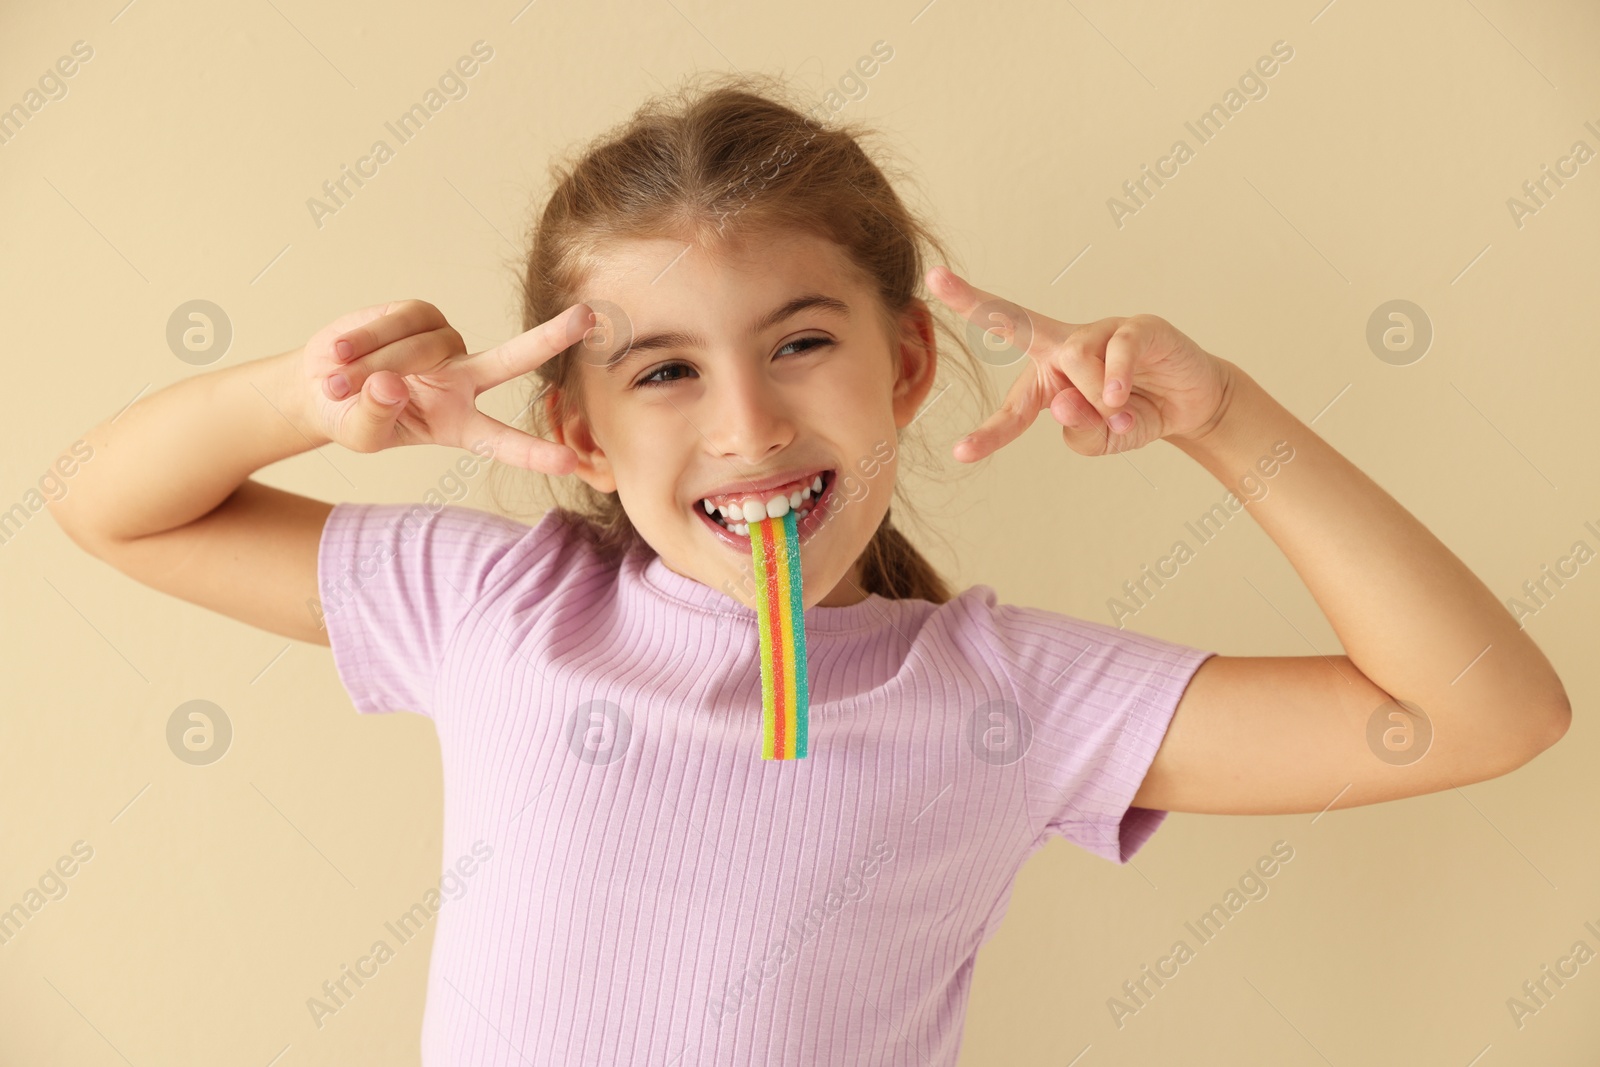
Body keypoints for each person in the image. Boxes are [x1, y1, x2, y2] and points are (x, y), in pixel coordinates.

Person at [48, 71, 1569, 1066]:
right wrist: (299, 407)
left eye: (801, 344)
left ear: (908, 365)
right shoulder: (497, 612)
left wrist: (1228, 420)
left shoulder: (1008, 699)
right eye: (663, 374)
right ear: (573, 430)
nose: (750, 424)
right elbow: (107, 505)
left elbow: (1478, 715)